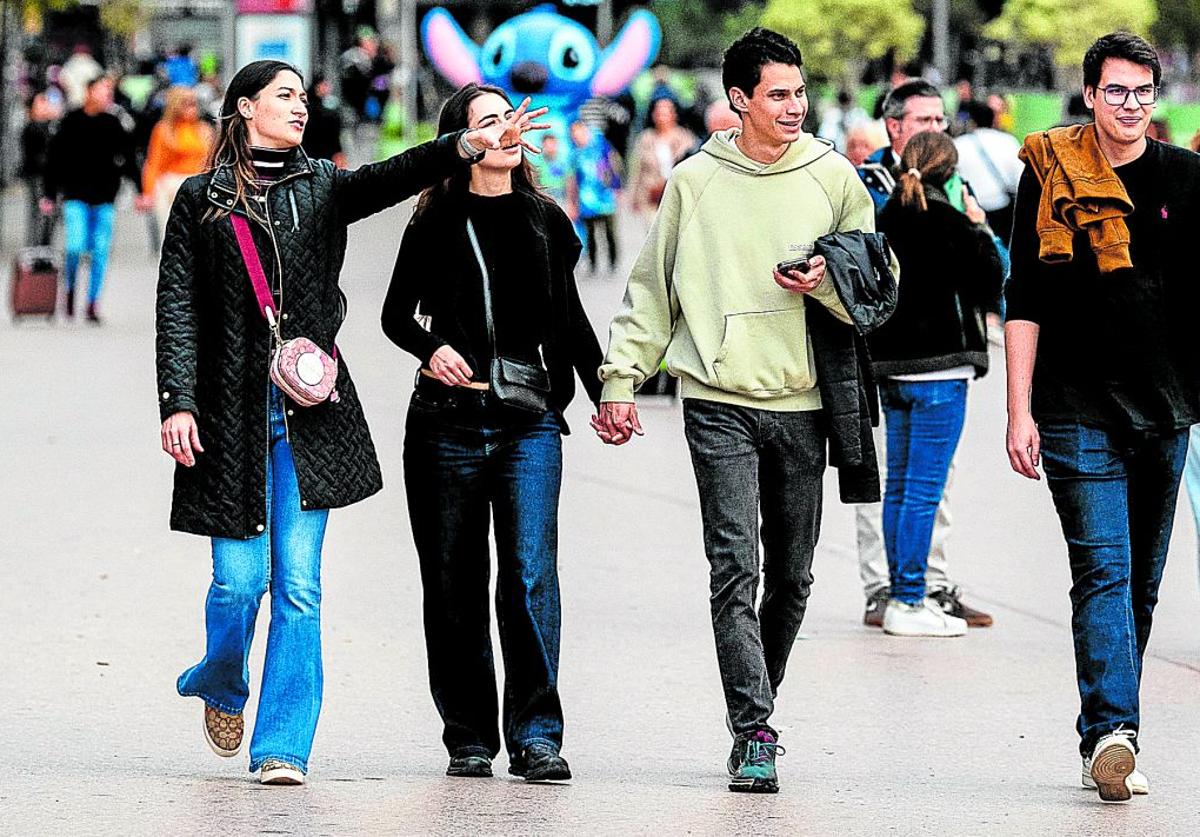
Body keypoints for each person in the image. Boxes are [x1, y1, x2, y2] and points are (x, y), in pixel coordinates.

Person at [156, 60, 544, 786]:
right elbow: (177, 304)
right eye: (283, 97)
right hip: (228, 416)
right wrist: (178, 400)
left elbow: (394, 175)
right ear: (243, 108)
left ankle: (282, 745)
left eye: (304, 96)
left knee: (299, 585)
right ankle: (221, 677)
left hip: (309, 412)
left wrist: (465, 141)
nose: (300, 107)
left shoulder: (324, 186)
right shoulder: (199, 200)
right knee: (239, 586)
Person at [596, 28, 880, 795]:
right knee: (735, 568)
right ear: (740, 101)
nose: (794, 106)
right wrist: (621, 379)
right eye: (778, 94)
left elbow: (871, 287)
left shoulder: (833, 176)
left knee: (791, 577)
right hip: (716, 399)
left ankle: (755, 701)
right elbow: (653, 289)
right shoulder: (696, 180)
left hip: (805, 401)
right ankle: (755, 729)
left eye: (799, 92)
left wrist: (824, 279)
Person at [381, 82, 601, 783]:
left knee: (531, 574)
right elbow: (394, 316)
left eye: (509, 117)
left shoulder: (544, 219)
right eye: (487, 120)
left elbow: (569, 318)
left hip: (527, 422)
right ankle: (468, 735)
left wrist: (609, 393)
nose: (505, 128)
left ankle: (537, 734)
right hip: (443, 424)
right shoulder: (435, 221)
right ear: (462, 139)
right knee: (452, 583)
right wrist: (429, 350)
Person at [1005, 31, 1200, 803]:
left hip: (1166, 409)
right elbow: (1025, 294)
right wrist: (1018, 409)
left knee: (1140, 586)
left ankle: (1106, 729)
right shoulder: (1048, 174)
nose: (1131, 106)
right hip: (1072, 407)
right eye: (1116, 91)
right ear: (1089, 94)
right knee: (1104, 572)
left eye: (1143, 93)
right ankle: (1113, 732)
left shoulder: (1187, 179)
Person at [855, 78, 994, 629]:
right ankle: (905, 596)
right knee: (919, 490)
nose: (936, 126)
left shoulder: (890, 212)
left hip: (890, 365)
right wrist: (979, 228)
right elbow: (990, 281)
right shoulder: (903, 202)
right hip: (938, 366)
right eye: (926, 120)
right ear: (895, 126)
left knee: (905, 487)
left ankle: (911, 589)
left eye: (941, 119)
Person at [41, 75, 140, 322]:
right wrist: (49, 193)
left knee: (100, 251)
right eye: (102, 90)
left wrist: (140, 190)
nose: (107, 95)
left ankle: (93, 302)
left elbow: (129, 159)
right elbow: (54, 159)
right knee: (74, 245)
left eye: (109, 91)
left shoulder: (114, 123)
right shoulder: (71, 120)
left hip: (105, 196)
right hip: (75, 194)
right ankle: (71, 287)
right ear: (88, 91)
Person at [141, 85, 215, 243]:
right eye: (186, 103)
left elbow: (211, 162)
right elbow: (154, 162)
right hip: (170, 186)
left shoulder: (204, 130)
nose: (192, 107)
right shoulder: (163, 130)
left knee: (200, 238)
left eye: (194, 103)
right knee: (172, 237)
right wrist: (148, 192)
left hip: (198, 186)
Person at [954, 105, 1023, 245]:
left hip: (970, 210)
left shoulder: (959, 145)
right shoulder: (1008, 141)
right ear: (993, 119)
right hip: (1002, 210)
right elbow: (1019, 178)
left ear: (972, 121)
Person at [569, 119, 622, 275]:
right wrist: (573, 202)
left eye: (579, 131)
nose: (577, 136)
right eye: (574, 133)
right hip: (586, 199)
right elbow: (572, 180)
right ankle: (593, 264)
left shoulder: (600, 145)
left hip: (605, 196)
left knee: (609, 231)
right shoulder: (575, 155)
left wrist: (617, 186)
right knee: (590, 233)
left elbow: (614, 164)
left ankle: (613, 262)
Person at [630, 96, 695, 218]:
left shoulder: (685, 138)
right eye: (659, 113)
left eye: (665, 113)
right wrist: (634, 198)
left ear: (674, 115)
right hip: (651, 196)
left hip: (677, 194)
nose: (662, 117)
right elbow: (637, 169)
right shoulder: (646, 138)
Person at [20, 91, 59, 246]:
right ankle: (36, 246)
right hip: (37, 176)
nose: (46, 106)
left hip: (51, 176)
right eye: (41, 103)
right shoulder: (32, 128)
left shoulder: (51, 127)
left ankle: (44, 244)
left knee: (50, 213)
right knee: (39, 211)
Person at [300, 74, 347, 168]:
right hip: (313, 154)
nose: (327, 88)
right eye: (324, 85)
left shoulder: (325, 109)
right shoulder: (312, 110)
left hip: (318, 155)